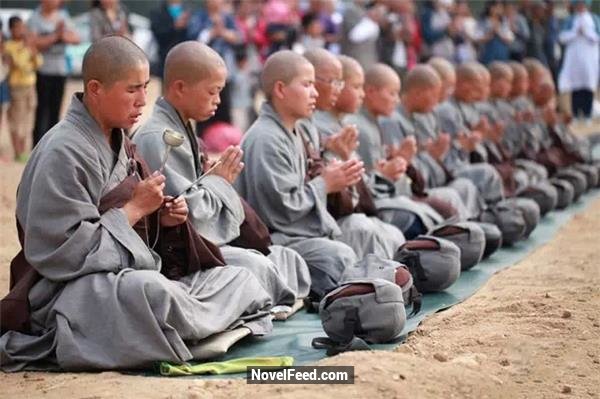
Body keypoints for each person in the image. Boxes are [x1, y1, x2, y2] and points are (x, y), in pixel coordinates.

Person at [0, 36, 273, 371]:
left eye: (145, 86)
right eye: (132, 90)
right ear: (96, 89)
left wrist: (164, 221)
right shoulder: (64, 151)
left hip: (125, 272)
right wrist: (134, 209)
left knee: (242, 273)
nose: (143, 100)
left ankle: (188, 326)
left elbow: (142, 232)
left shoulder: (121, 141)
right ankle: (192, 326)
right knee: (152, 292)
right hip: (68, 290)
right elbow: (62, 253)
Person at [133, 41, 310, 307]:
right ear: (180, 88)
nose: (218, 100)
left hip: (207, 246)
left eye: (220, 92)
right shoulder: (159, 137)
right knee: (256, 267)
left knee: (285, 259)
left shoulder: (183, 130)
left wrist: (216, 181)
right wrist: (220, 182)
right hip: (180, 258)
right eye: (212, 92)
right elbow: (190, 215)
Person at [235, 50, 363, 299]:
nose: (315, 93)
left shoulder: (296, 131)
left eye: (315, 85)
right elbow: (279, 212)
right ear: (280, 90)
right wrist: (324, 184)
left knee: (354, 240)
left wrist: (338, 172)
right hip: (279, 240)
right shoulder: (266, 139)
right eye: (307, 85)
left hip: (302, 233)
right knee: (341, 254)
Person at [298, 48, 406, 259]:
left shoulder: (325, 127)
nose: (362, 94)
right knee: (370, 228)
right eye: (356, 87)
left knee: (392, 233)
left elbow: (359, 186)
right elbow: (284, 212)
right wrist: (330, 177)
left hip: (340, 216)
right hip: (309, 232)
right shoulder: (315, 128)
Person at [27, 0, 81, 146]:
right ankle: (37, 144)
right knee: (42, 109)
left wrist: (62, 36)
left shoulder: (63, 16)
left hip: (60, 70)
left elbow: (76, 38)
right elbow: (33, 42)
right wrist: (56, 36)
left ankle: (52, 144)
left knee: (55, 109)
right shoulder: (35, 18)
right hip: (43, 69)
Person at [4, 16, 43, 162]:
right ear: (11, 29)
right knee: (16, 119)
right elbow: (18, 64)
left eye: (22, 27)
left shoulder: (27, 45)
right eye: (18, 27)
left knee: (27, 119)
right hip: (16, 87)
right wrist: (26, 49)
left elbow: (38, 63)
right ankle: (17, 151)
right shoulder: (9, 47)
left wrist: (31, 52)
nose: (21, 30)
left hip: (30, 85)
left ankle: (23, 150)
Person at [557, 0, 600, 121]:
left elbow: (597, 37)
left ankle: (587, 114)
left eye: (583, 4)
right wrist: (575, 33)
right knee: (576, 87)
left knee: (588, 86)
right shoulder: (570, 20)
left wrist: (587, 32)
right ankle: (576, 113)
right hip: (574, 60)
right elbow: (562, 38)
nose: (581, 7)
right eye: (579, 5)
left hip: (590, 59)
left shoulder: (594, 19)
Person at [150, 0, 190, 78]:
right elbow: (157, 32)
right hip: (164, 59)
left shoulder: (189, 10)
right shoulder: (158, 11)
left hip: (185, 58)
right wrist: (174, 26)